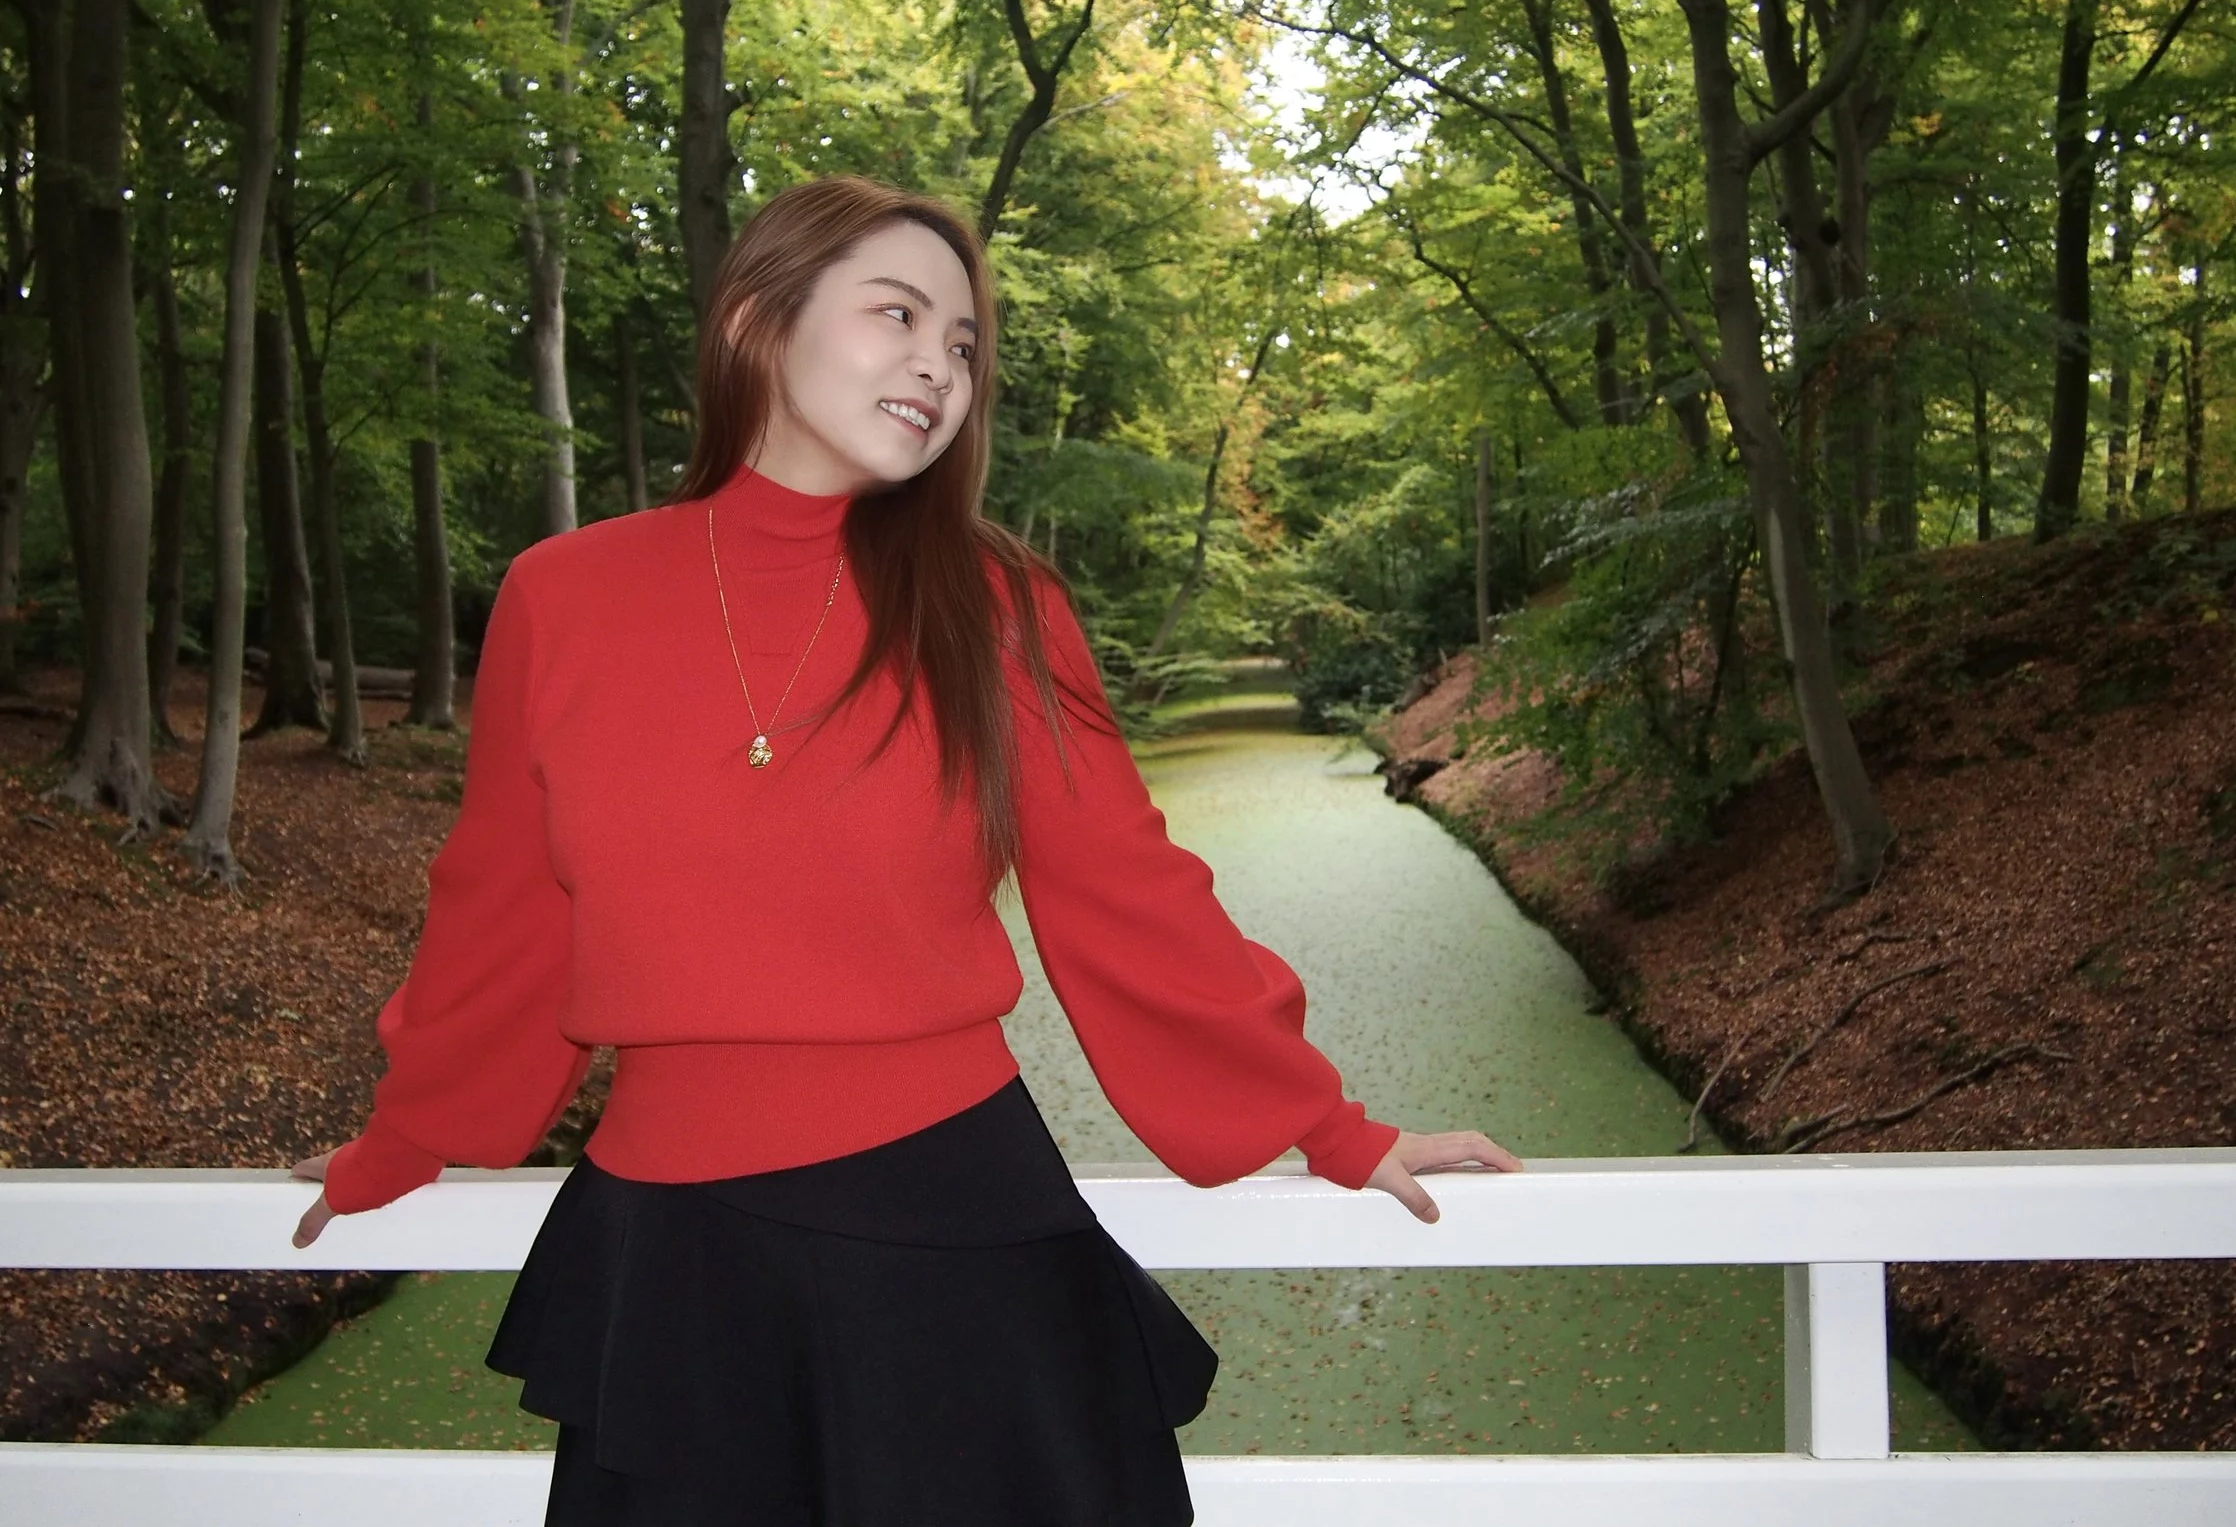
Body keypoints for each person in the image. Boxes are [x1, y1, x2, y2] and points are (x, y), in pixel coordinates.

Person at [288, 174, 1520, 1525]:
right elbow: (505, 914)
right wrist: (413, 1130)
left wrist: (1326, 1122)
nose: (939, 364)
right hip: (674, 1263)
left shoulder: (994, 603)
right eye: (899, 316)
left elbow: (1124, 889)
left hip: (958, 1232)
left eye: (963, 345)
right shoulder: (562, 597)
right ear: (759, 321)